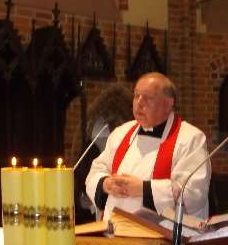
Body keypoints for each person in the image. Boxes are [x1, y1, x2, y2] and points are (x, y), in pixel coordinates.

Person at [85, 72, 210, 221]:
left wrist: (143, 189)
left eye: (148, 97)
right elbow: (96, 171)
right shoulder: (120, 133)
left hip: (163, 233)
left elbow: (193, 193)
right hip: (114, 230)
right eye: (136, 96)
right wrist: (106, 184)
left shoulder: (190, 138)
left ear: (168, 104)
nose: (139, 103)